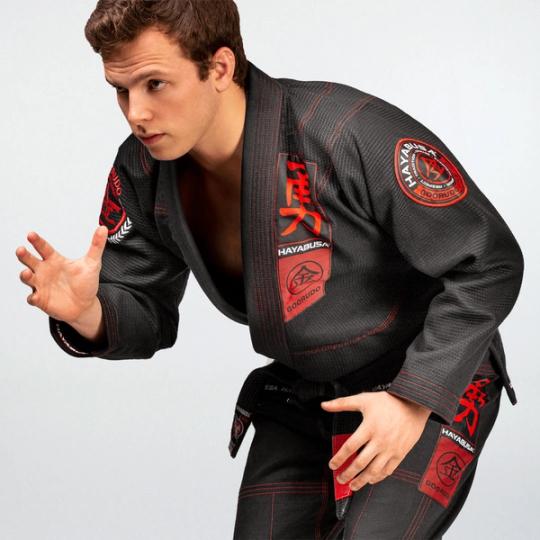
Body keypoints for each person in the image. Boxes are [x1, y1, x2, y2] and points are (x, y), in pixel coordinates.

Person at [15, 1, 524, 538]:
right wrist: (88, 313)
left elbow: (488, 261)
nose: (135, 113)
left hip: (427, 374)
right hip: (306, 389)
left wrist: (413, 399)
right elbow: (145, 311)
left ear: (219, 67)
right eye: (121, 90)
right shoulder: (143, 167)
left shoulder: (347, 132)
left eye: (155, 84)